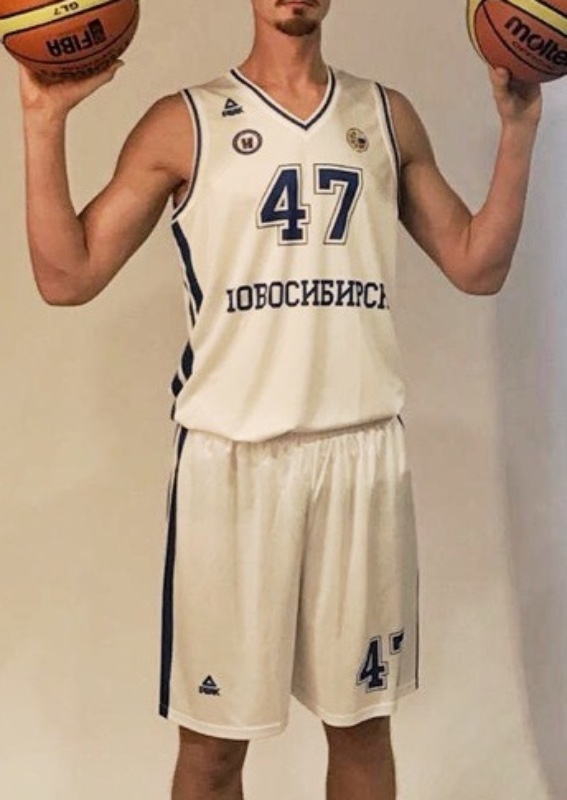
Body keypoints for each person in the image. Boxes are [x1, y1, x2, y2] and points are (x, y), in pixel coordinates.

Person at [19, 0, 542, 798]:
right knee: (213, 751)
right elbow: (67, 277)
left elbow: (477, 266)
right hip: (231, 465)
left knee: (361, 731)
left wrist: (517, 128)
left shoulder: (385, 115)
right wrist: (42, 119)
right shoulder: (182, 122)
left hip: (359, 460)